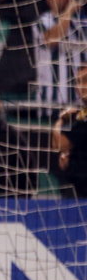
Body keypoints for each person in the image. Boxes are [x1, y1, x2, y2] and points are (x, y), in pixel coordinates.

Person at [33, 0, 87, 117]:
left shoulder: (82, 25)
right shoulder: (43, 22)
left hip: (78, 106)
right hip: (50, 104)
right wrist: (69, 12)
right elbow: (52, 39)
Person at [52, 65, 87, 198]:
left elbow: (59, 145)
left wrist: (60, 121)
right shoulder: (81, 114)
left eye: (85, 80)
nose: (81, 86)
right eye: (78, 81)